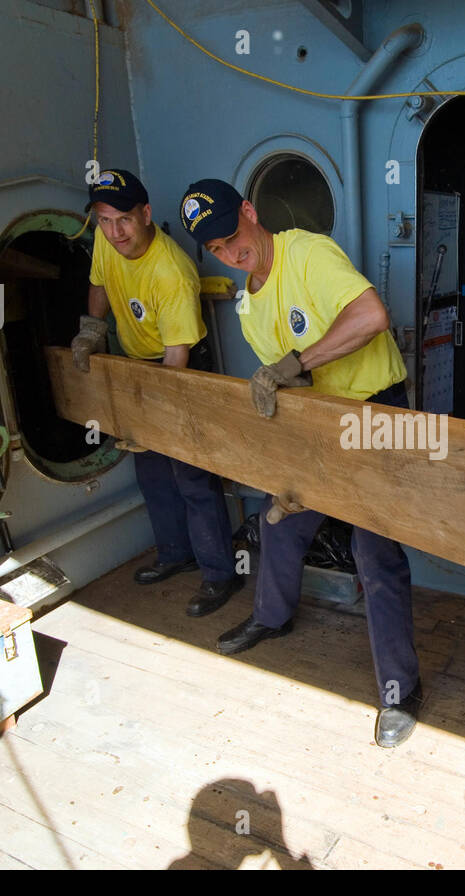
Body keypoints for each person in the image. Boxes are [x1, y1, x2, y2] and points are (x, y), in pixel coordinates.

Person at [180, 178, 422, 747]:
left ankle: (399, 689)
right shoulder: (247, 307)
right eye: (215, 250)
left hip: (374, 414)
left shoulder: (307, 252)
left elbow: (371, 317)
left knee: (374, 550)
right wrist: (285, 465)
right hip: (318, 424)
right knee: (278, 522)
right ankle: (271, 617)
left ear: (250, 211)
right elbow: (284, 396)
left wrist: (294, 363)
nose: (230, 253)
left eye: (232, 236)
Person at [71, 169, 241, 617]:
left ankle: (220, 575)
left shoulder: (172, 271)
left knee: (191, 476)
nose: (114, 231)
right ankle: (174, 554)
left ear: (146, 214)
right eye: (105, 221)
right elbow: (99, 285)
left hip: (178, 369)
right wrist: (92, 331)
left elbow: (176, 358)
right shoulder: (108, 245)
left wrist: (156, 417)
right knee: (150, 470)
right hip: (137, 365)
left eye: (124, 219)